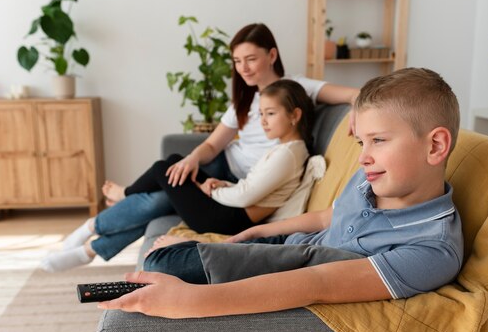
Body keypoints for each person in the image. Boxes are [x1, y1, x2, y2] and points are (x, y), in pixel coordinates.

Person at [98, 67, 464, 318]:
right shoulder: (372, 177)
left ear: (435, 147)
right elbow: (327, 217)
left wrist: (190, 302)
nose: (363, 157)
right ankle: (93, 239)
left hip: (296, 265)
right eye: (361, 141)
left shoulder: (432, 249)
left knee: (161, 263)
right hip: (289, 243)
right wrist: (256, 233)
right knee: (166, 248)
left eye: (379, 140)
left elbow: (316, 283)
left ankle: (93, 237)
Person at [41, 79, 315, 272]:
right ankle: (90, 250)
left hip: (229, 219)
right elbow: (250, 187)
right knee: (162, 198)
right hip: (230, 212)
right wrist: (221, 184)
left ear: (294, 115)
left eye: (270, 113)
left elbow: (247, 195)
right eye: (261, 114)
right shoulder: (285, 150)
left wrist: (212, 191)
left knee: (168, 166)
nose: (263, 121)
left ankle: (109, 209)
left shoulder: (289, 153)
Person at [102, 22, 358, 206]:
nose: (243, 68)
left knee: (159, 200)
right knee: (167, 182)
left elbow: (355, 94)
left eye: (250, 59)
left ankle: (108, 213)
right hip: (222, 164)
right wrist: (193, 159)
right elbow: (213, 144)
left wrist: (356, 111)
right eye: (237, 61)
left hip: (245, 179)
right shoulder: (244, 100)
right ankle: (102, 220)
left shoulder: (299, 87)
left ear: (271, 55)